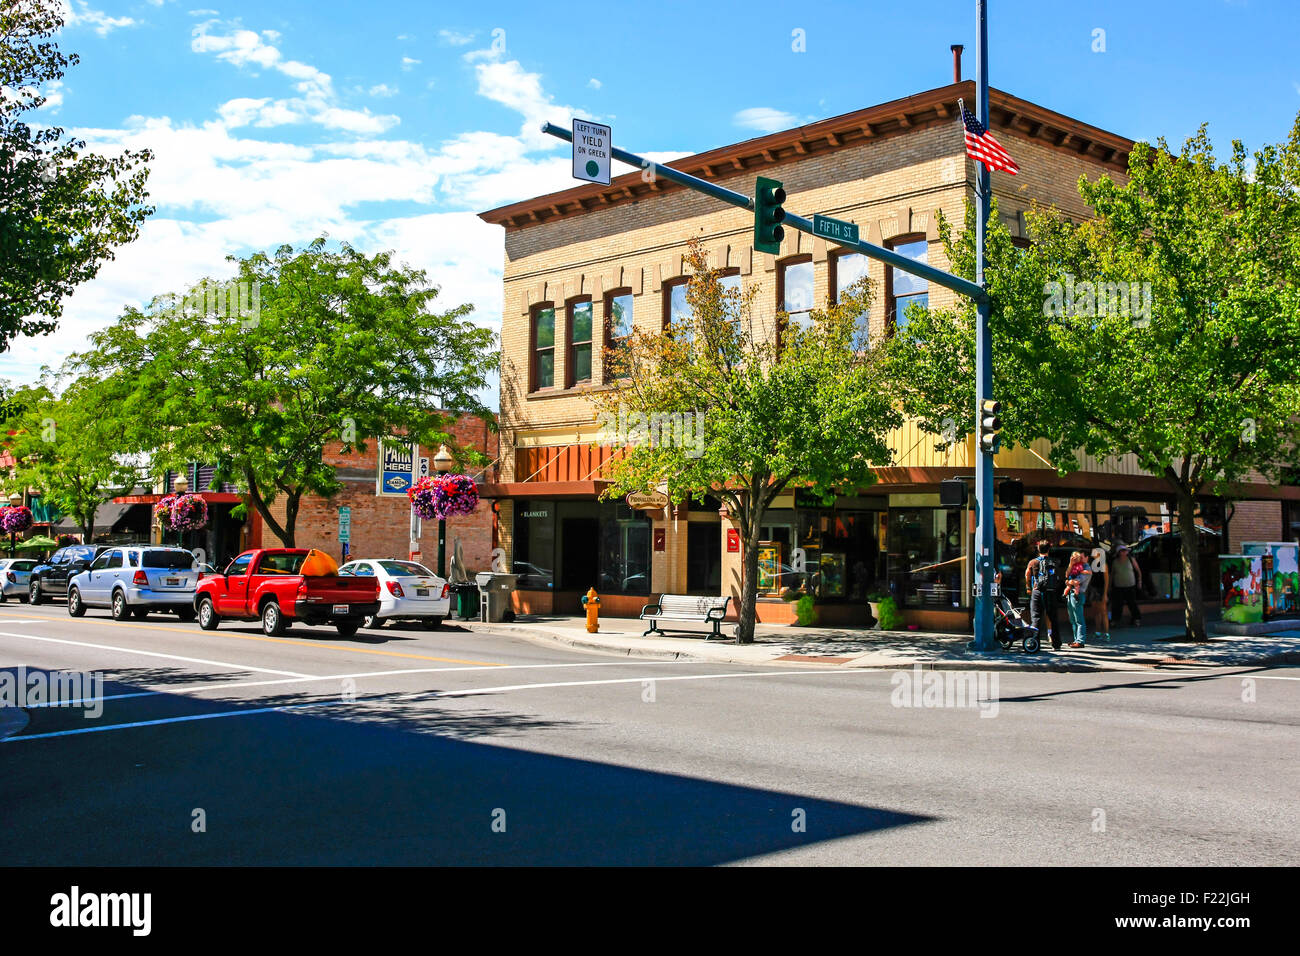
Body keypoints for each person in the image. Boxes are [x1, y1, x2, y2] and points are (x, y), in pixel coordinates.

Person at [1024, 541, 1060, 650]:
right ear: (1049, 550)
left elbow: (1027, 575)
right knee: (1053, 618)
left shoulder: (1033, 562)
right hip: (1051, 591)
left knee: (1036, 617)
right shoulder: (1054, 561)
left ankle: (1035, 642)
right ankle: (1056, 643)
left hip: (1037, 591)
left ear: (1038, 550)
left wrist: (1028, 588)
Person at [1110, 543, 1143, 628]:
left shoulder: (1131, 559)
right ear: (1119, 552)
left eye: (1125, 551)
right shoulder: (1115, 561)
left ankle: (1136, 619)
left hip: (1130, 585)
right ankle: (1115, 620)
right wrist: (1109, 585)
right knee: (1117, 604)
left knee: (1132, 603)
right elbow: (1112, 574)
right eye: (1122, 551)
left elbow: (1138, 570)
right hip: (1118, 585)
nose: (1124, 552)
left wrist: (1139, 581)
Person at [1064, 550, 1093, 648]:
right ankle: (1076, 640)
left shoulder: (1086, 568)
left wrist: (1069, 582)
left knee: (1079, 619)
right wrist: (1070, 563)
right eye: (1077, 557)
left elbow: (1076, 581)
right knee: (1073, 619)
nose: (1078, 559)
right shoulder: (1075, 565)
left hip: (1078, 595)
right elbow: (1067, 575)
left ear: (1086, 558)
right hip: (1071, 594)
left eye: (1081, 557)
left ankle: (1080, 641)